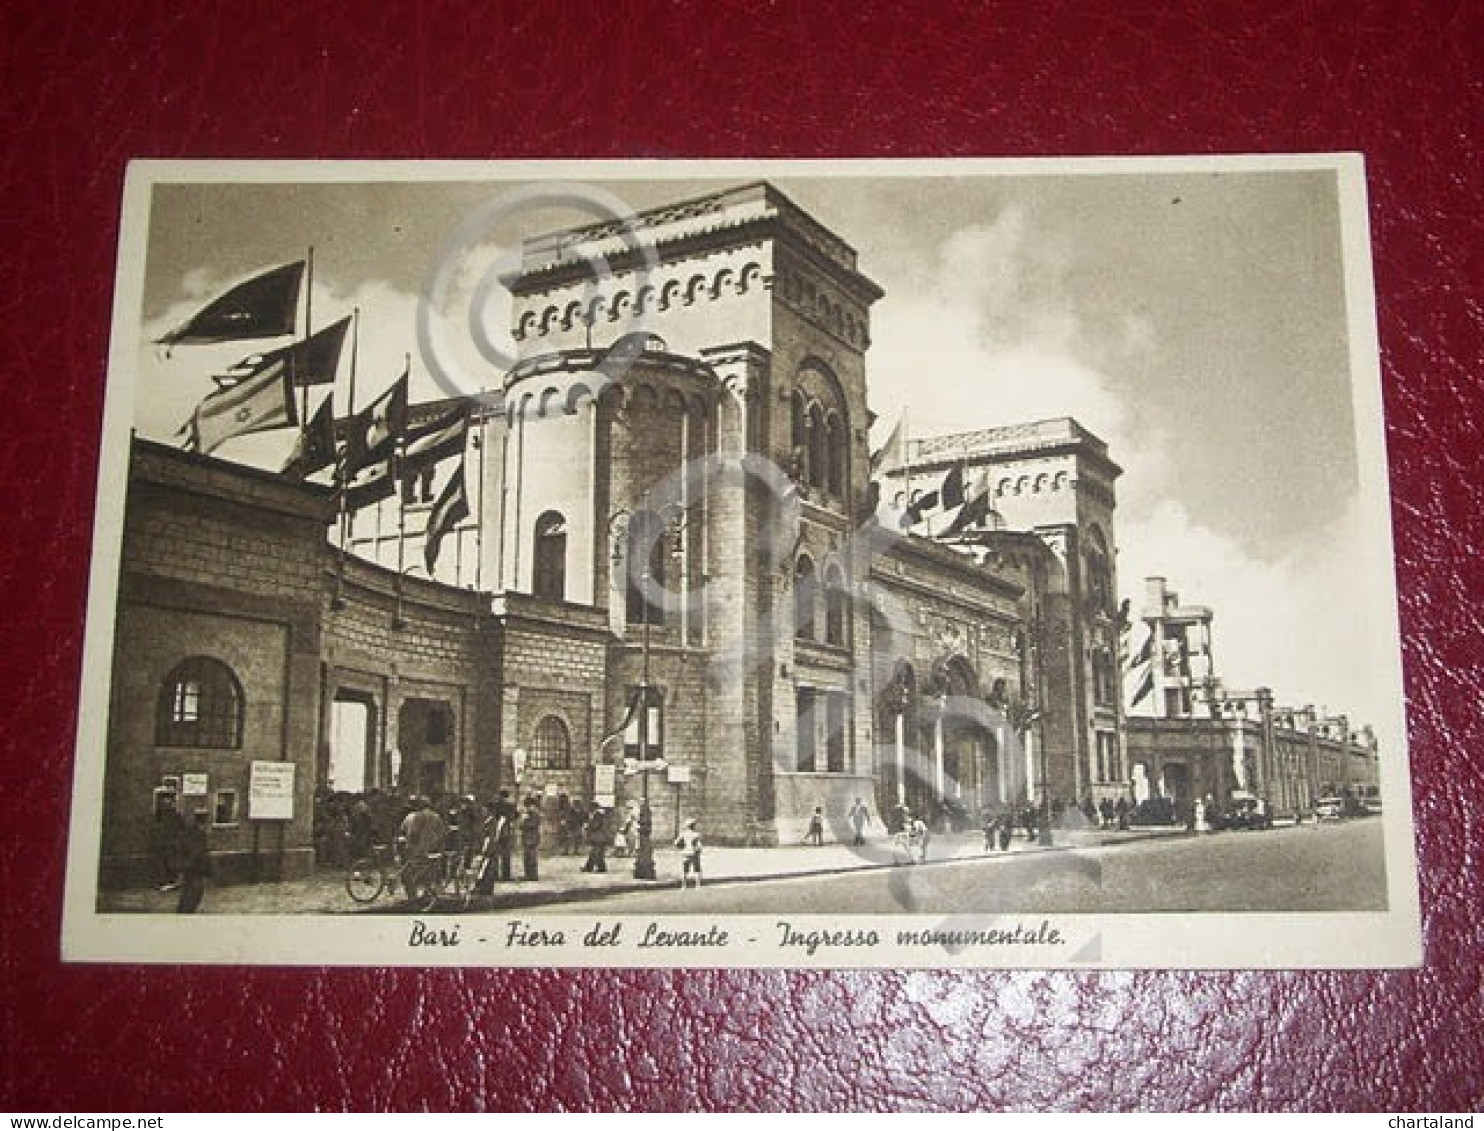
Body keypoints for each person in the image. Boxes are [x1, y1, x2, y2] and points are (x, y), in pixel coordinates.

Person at [397, 796, 447, 904]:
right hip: (430, 850)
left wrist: (408, 848)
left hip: (415, 849)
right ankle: (426, 893)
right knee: (428, 871)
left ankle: (412, 896)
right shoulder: (436, 816)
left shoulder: (412, 816)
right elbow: (442, 834)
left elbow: (407, 833)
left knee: (409, 872)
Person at [176, 810, 211, 914]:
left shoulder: (192, 831)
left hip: (192, 867)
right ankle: (186, 911)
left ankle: (184, 910)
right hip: (195, 867)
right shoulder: (199, 832)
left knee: (189, 890)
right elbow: (197, 851)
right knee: (195, 892)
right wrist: (190, 863)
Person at [149, 790, 185, 892]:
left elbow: (182, 827)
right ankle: (164, 882)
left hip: (169, 843)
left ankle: (169, 882)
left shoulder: (171, 814)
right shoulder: (161, 815)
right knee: (164, 862)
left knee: (169, 862)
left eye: (169, 800)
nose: (168, 803)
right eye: (166, 800)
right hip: (165, 843)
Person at [675, 817, 703, 889]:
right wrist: (698, 850)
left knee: (685, 870)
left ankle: (683, 886)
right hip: (693, 853)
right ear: (693, 826)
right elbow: (699, 845)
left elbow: (676, 843)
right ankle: (698, 885)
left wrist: (681, 848)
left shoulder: (683, 834)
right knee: (697, 869)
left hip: (685, 853)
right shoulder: (696, 834)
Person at [581, 803, 609, 873]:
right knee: (596, 853)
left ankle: (591, 868)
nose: (589, 809)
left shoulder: (598, 815)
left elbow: (596, 825)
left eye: (590, 807)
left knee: (596, 853)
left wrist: (588, 826)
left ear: (594, 807)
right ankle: (596, 867)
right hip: (599, 836)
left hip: (599, 836)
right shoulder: (598, 815)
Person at [519, 796, 542, 880]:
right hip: (528, 836)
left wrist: (524, 823)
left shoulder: (533, 812)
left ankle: (532, 875)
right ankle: (529, 874)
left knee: (531, 856)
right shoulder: (531, 812)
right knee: (528, 856)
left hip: (531, 836)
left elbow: (533, 824)